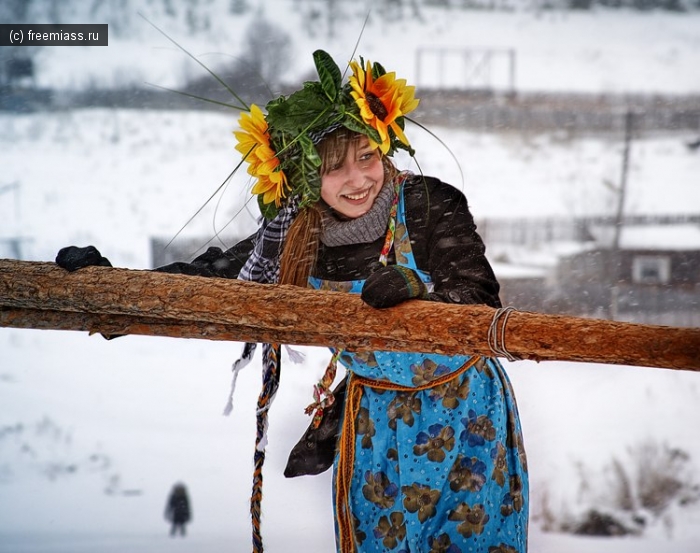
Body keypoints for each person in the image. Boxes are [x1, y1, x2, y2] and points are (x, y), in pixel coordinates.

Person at [56, 50, 528, 553]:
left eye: (367, 156)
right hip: (374, 427)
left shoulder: (431, 204)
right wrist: (114, 292)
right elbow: (211, 282)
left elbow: (478, 299)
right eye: (333, 167)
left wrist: (422, 295)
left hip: (467, 418)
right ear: (305, 177)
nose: (358, 179)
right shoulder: (296, 236)